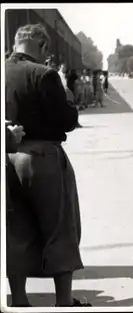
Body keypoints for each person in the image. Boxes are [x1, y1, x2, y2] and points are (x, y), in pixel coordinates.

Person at [5, 23, 90, 307]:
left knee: (15, 229)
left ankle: (19, 300)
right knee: (60, 228)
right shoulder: (45, 74)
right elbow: (67, 121)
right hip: (43, 158)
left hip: (7, 157)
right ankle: (63, 301)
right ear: (42, 47)